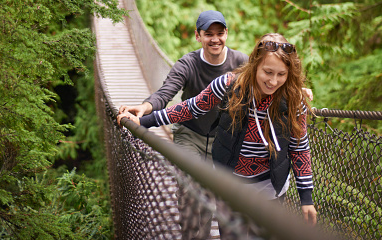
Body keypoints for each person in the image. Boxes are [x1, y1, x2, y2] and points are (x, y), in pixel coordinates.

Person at [118, 33, 317, 236]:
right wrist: (143, 121)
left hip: (270, 189)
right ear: (255, 64)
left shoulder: (293, 101)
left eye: (281, 74)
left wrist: (306, 198)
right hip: (228, 184)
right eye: (268, 72)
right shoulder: (230, 85)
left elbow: (299, 148)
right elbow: (191, 108)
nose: (274, 81)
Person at [118, 10, 249, 160]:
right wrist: (144, 107)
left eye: (220, 34)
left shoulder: (241, 62)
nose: (215, 39)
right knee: (192, 178)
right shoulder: (187, 64)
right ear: (197, 36)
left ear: (226, 33)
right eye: (208, 34)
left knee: (215, 183)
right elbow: (164, 94)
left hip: (224, 139)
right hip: (189, 135)